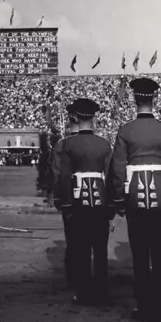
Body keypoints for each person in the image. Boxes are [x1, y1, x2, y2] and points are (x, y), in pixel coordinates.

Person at [108, 78, 161, 322]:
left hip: (135, 200)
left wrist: (118, 198)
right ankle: (160, 306)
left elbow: (117, 168)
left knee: (140, 256)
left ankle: (143, 305)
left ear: (134, 99)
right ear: (155, 100)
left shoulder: (126, 130)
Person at [55, 98, 113, 306]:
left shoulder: (68, 144)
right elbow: (111, 175)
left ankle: (84, 292)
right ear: (93, 117)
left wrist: (66, 203)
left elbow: (63, 177)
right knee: (100, 249)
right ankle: (102, 291)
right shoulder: (104, 144)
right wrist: (111, 204)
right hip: (100, 200)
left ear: (76, 117)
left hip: (78, 201)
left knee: (80, 249)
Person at [52, 103, 79, 289]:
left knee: (73, 240)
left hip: (70, 197)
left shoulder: (62, 145)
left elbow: (57, 173)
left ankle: (74, 277)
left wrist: (58, 198)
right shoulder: (98, 142)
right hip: (93, 196)